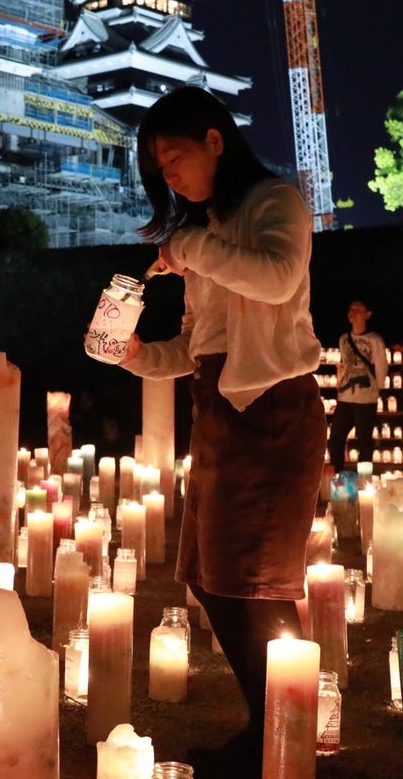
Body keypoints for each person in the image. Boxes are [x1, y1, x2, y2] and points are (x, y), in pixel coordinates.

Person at [118, 86, 326, 778]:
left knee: (256, 581)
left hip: (271, 411)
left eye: (174, 156)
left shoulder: (275, 203)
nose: (168, 174)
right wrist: (139, 357)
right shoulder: (206, 229)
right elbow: (200, 345)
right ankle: (270, 721)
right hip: (218, 415)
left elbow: (277, 278)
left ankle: (282, 735)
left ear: (215, 140)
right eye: (158, 166)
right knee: (211, 578)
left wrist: (194, 249)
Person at [328, 298, 388, 473]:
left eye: (358, 308)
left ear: (368, 314)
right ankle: (337, 476)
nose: (353, 311)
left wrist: (377, 389)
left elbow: (381, 366)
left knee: (364, 441)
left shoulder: (375, 340)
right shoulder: (343, 339)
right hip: (345, 396)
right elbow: (346, 365)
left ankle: (364, 479)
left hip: (366, 397)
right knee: (336, 438)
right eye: (351, 308)